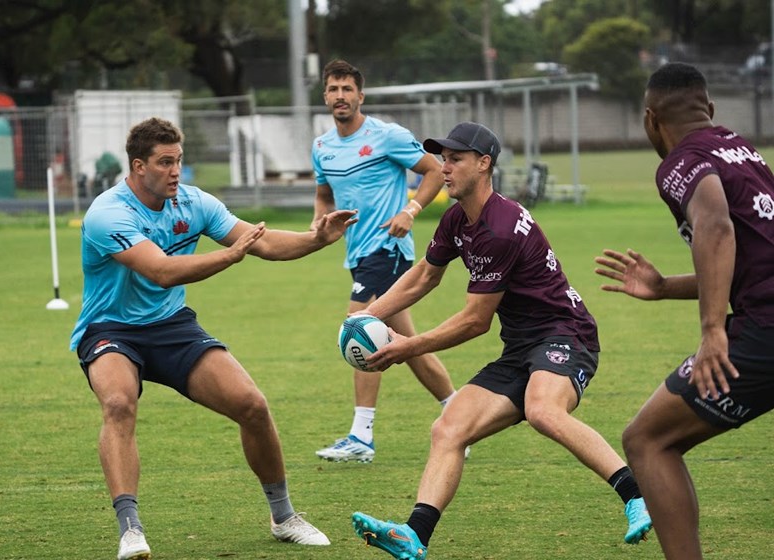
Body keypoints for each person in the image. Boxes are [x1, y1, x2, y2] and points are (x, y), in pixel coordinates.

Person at [349, 121, 653, 559]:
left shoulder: (499, 227)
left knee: (542, 409)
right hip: (521, 347)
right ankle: (414, 534)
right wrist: (367, 317)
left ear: (484, 163)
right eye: (442, 158)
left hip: (565, 333)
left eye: (454, 159)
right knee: (448, 428)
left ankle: (637, 496)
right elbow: (424, 276)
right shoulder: (458, 218)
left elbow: (475, 322)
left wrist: (404, 348)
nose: (443, 167)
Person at [70, 117, 357, 560]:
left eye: (179, 161)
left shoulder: (193, 202)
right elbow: (161, 272)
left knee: (252, 405)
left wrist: (316, 238)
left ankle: (283, 517)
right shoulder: (109, 213)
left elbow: (259, 241)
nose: (175, 172)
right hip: (111, 328)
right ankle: (131, 529)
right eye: (165, 163)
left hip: (171, 326)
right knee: (118, 404)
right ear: (138, 166)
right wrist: (229, 255)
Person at [594, 62, 774, 560]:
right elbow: (751, 261)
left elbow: (716, 226)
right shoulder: (742, 149)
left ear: (650, 120)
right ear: (710, 109)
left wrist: (713, 329)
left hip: (764, 331)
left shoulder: (680, 161)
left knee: (647, 440)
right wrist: (665, 286)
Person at [311, 59, 459, 463]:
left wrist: (409, 211)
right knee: (405, 345)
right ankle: (460, 412)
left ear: (361, 95)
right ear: (325, 96)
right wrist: (318, 223)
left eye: (347, 89)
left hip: (388, 249)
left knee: (359, 330)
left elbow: (432, 171)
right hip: (357, 253)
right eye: (333, 89)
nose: (340, 96)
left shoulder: (387, 136)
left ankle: (361, 436)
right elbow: (324, 193)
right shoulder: (322, 146)